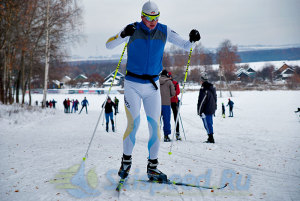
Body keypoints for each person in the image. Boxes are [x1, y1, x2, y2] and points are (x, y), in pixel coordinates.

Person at [106, 1, 200, 182]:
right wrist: (122, 33)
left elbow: (187, 46)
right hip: (132, 84)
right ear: (142, 16)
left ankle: (153, 168)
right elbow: (109, 45)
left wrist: (193, 39)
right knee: (133, 124)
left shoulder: (164, 30)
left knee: (155, 127)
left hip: (153, 86)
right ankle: (125, 163)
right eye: (149, 18)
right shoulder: (133, 29)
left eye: (156, 17)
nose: (152, 21)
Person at [197, 74, 217, 143]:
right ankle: (210, 137)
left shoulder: (204, 89)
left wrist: (199, 112)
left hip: (206, 110)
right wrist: (215, 107)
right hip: (211, 108)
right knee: (209, 123)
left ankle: (211, 138)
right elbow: (215, 98)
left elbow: (201, 101)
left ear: (202, 81)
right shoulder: (212, 87)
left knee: (207, 124)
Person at [159, 70, 175, 142]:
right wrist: (168, 96)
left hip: (157, 104)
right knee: (166, 120)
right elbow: (173, 93)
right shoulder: (169, 82)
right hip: (166, 104)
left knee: (156, 120)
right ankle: (166, 136)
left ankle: (155, 135)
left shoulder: (156, 81)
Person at [169, 72, 182, 141]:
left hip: (170, 101)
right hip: (172, 101)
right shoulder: (175, 83)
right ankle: (176, 133)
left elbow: (178, 92)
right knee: (175, 117)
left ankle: (177, 133)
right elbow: (177, 92)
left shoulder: (174, 83)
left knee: (175, 118)